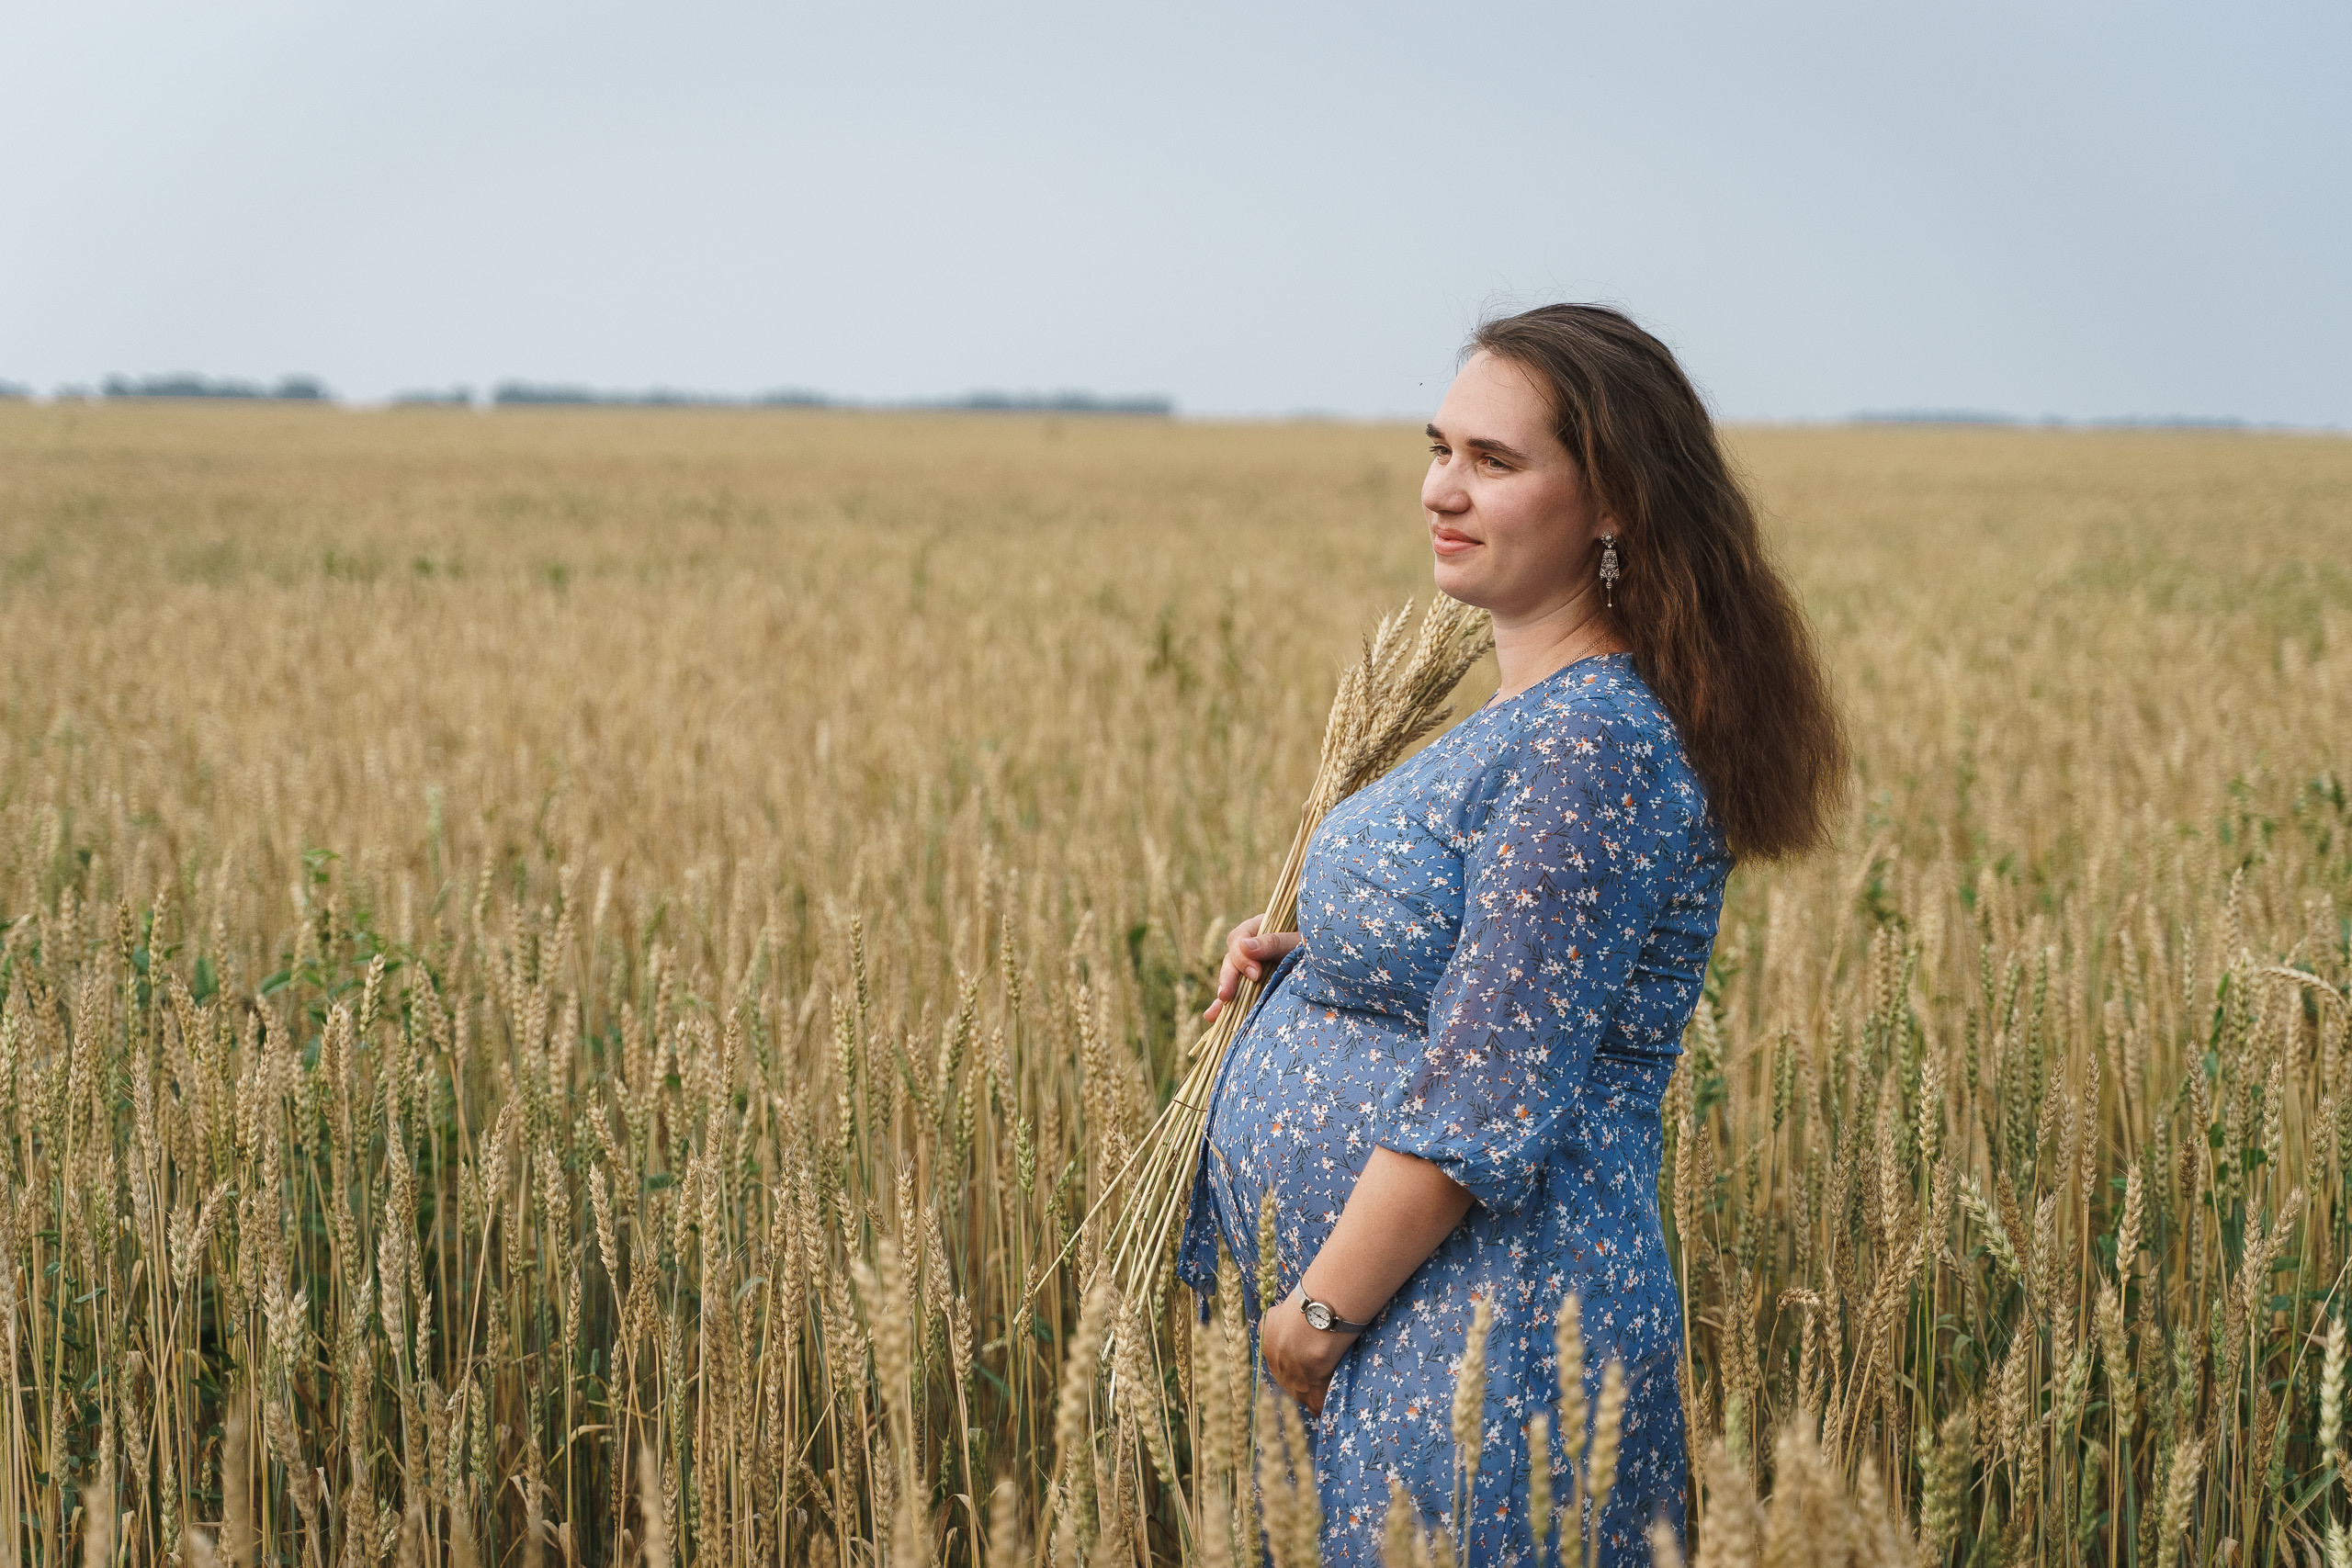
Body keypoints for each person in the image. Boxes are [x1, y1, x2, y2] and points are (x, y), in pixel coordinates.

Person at [1176, 304, 1847, 1563]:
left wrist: (1316, 1318)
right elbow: (1500, 968)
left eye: (1494, 461)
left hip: (1476, 1342)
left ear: (1614, 502)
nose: (1443, 489)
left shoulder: (1594, 744)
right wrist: (1320, 969)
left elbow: (1488, 1090)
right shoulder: (1539, 714)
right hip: (1407, 1330)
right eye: (1440, 449)